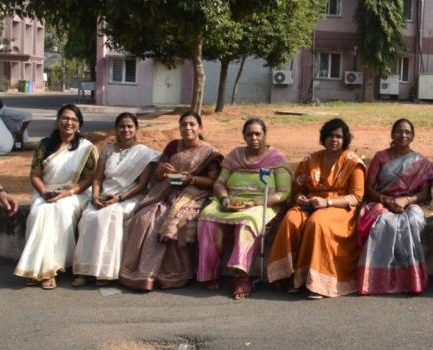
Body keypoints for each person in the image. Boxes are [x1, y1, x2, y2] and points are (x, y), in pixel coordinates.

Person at [119, 111, 222, 291]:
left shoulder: (209, 153)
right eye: (184, 124)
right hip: (166, 191)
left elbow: (213, 182)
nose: (188, 128)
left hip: (194, 194)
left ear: (200, 128)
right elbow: (159, 177)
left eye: (192, 124)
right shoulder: (173, 146)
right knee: (145, 217)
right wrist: (161, 171)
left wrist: (191, 179)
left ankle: (174, 274)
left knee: (173, 219)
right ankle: (143, 273)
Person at [267, 118, 365, 298]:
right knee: (291, 219)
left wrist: (327, 203)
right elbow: (296, 190)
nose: (334, 140)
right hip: (310, 204)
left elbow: (356, 197)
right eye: (330, 135)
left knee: (317, 222)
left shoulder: (353, 162)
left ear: (345, 140)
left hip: (339, 207)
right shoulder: (310, 160)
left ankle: (317, 282)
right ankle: (289, 276)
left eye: (339, 136)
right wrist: (300, 198)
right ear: (323, 137)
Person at [197, 118, 291, 300]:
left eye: (258, 134)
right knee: (207, 218)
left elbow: (284, 193)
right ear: (244, 136)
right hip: (230, 201)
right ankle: (210, 272)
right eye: (249, 134)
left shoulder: (276, 158)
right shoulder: (235, 156)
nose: (254, 138)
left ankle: (241, 276)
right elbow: (219, 183)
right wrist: (224, 198)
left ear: (265, 135)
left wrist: (254, 203)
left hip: (262, 203)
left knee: (247, 223)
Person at [14, 104, 97, 289]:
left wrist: (67, 193)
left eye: (74, 120)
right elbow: (35, 176)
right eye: (65, 118)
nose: (69, 122)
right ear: (58, 121)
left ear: (79, 124)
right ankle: (36, 268)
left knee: (61, 211)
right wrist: (45, 192)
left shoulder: (86, 147)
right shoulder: (45, 145)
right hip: (46, 189)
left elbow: (89, 179)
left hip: (75, 192)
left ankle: (50, 269)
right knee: (39, 212)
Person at [73, 113, 159, 286]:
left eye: (129, 126)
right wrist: (95, 196)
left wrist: (119, 198)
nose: (126, 130)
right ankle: (85, 270)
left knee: (111, 215)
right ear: (116, 129)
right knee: (89, 216)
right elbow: (97, 179)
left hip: (129, 196)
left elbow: (141, 185)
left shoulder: (145, 153)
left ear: (136, 129)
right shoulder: (107, 150)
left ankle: (105, 271)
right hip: (104, 195)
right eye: (122, 126)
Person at [356, 119, 433, 295]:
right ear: (392, 134)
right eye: (399, 131)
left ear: (413, 136)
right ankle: (378, 280)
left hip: (410, 203)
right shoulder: (380, 157)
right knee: (384, 223)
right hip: (382, 201)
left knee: (413, 221)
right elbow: (368, 188)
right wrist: (386, 200)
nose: (403, 135)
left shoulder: (419, 161)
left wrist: (406, 200)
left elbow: (423, 194)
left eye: (408, 132)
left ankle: (411, 280)